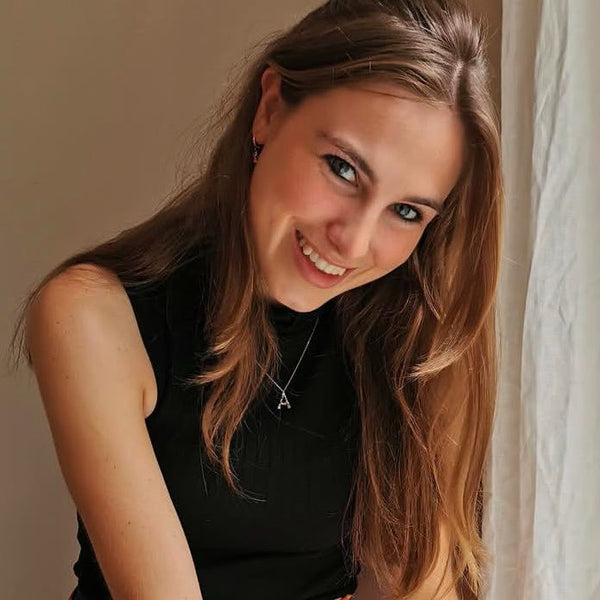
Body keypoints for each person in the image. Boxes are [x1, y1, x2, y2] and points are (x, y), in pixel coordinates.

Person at [9, 0, 503, 599]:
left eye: (406, 211)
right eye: (343, 169)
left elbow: (427, 585)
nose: (353, 242)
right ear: (269, 110)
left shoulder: (414, 338)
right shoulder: (93, 315)